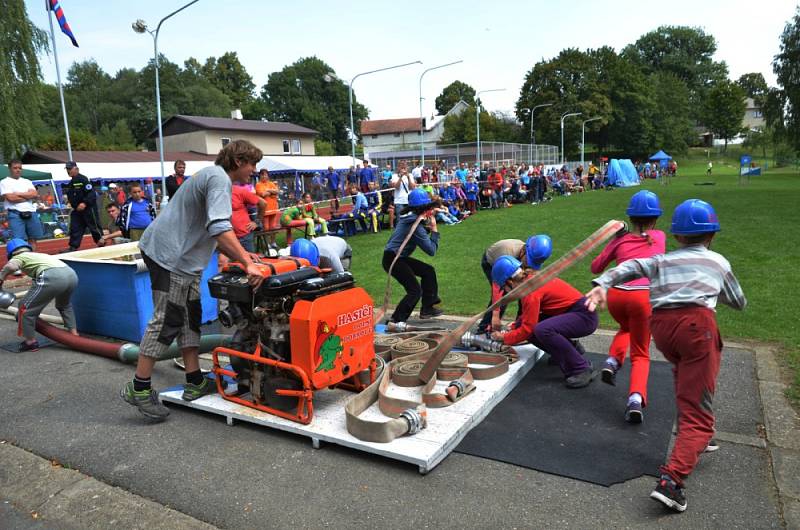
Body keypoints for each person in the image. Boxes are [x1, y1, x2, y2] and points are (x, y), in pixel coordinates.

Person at [584, 199, 746, 513]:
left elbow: (631, 267)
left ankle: (701, 437)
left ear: (676, 236)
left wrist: (603, 283)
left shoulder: (662, 259)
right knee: (698, 404)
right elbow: (738, 302)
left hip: (664, 330)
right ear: (711, 235)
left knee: (685, 377)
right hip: (696, 326)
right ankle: (672, 481)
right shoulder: (718, 262)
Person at [120, 140, 266, 422]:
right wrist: (247, 264)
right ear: (238, 161)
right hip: (169, 258)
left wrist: (244, 255)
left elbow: (212, 231)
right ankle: (139, 388)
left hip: (185, 261)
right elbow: (219, 227)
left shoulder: (214, 178)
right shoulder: (218, 179)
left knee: (190, 317)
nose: (254, 171)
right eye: (252, 164)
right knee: (166, 321)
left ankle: (195, 379)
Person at [590, 190, 666, 423]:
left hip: (617, 296)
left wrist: (615, 240)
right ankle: (635, 399)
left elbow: (596, 267)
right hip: (643, 298)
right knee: (641, 352)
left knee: (626, 329)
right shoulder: (660, 236)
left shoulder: (620, 240)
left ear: (630, 217)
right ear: (655, 218)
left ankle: (613, 361)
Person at [490, 246, 597, 388]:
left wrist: (504, 338)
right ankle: (571, 351)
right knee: (532, 327)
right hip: (574, 313)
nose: (506, 293)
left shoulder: (529, 291)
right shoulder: (529, 280)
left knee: (542, 330)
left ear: (510, 282)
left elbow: (528, 329)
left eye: (505, 289)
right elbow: (527, 319)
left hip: (584, 316)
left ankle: (581, 368)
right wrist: (515, 326)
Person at [0, 239, 79, 351]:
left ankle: (30, 342)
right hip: (71, 275)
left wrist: (1, 278)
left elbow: (11, 267)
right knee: (64, 305)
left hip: (52, 277)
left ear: (11, 253)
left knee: (24, 308)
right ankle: (73, 333)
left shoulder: (18, 257)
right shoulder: (38, 255)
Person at [382, 188, 442, 323]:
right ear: (424, 208)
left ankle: (427, 307)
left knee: (428, 271)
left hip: (396, 256)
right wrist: (434, 230)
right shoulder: (415, 225)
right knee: (415, 290)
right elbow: (431, 250)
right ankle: (395, 321)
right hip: (393, 259)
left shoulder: (410, 217)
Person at [1, 160, 43, 250]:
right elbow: (11, 198)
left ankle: (32, 258)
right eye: (15, 168)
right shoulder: (4, 182)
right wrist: (28, 196)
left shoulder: (27, 181)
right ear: (9, 168)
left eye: (20, 168)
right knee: (19, 241)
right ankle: (23, 260)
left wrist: (18, 193)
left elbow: (35, 194)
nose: (18, 170)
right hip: (15, 214)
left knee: (33, 238)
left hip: (31, 212)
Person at [64, 161, 104, 252]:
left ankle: (101, 242)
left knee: (94, 226)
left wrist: (84, 203)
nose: (68, 171)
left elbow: (91, 194)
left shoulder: (83, 179)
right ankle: (73, 247)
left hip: (88, 209)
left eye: (70, 169)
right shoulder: (70, 183)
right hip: (77, 210)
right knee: (75, 227)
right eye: (67, 169)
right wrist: (74, 206)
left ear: (76, 169)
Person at [231, 181, 266, 252]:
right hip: (225, 238)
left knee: (250, 260)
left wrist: (257, 222)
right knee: (224, 262)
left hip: (244, 237)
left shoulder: (239, 190)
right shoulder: (214, 193)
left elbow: (263, 203)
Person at [254, 169, 280, 248]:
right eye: (262, 175)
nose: (264, 176)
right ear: (260, 176)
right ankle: (267, 243)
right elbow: (263, 194)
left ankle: (273, 242)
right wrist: (272, 192)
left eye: (265, 174)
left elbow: (277, 191)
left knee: (273, 227)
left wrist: (268, 190)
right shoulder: (258, 184)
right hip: (264, 210)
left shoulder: (271, 183)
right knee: (266, 227)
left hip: (273, 208)